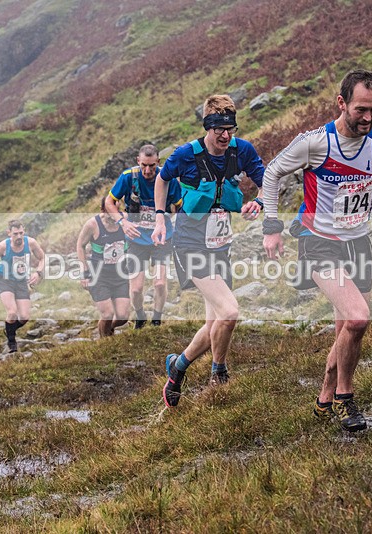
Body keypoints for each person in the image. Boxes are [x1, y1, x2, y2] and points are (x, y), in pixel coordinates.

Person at [261, 70, 372, 432]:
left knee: (349, 328)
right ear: (341, 103)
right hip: (318, 242)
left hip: (358, 242)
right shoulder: (315, 143)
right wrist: (271, 228)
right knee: (359, 317)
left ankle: (324, 396)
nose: (368, 118)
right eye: (361, 110)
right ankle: (348, 400)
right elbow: (272, 174)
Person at [152, 94, 265, 408]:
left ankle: (178, 368)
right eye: (219, 130)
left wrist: (261, 201)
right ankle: (219, 371)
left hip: (220, 246)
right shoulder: (186, 154)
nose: (225, 135)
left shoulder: (242, 151)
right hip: (189, 244)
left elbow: (266, 181)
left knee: (214, 320)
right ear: (207, 128)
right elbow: (162, 180)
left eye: (230, 128)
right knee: (229, 312)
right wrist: (160, 219)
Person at [106, 144, 182, 329]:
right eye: (144, 166)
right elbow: (109, 202)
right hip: (136, 238)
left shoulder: (168, 179)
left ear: (158, 162)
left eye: (152, 166)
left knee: (159, 283)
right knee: (136, 288)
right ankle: (140, 315)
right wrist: (122, 222)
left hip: (161, 238)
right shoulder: (128, 177)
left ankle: (156, 318)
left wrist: (174, 224)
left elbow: (180, 207)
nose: (148, 171)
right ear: (138, 162)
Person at [0, 220, 45, 353]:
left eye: (21, 233)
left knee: (24, 317)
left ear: (24, 231)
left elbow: (43, 258)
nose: (19, 237)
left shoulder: (31, 243)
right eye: (15, 234)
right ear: (9, 233)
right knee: (12, 312)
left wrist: (38, 273)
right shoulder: (3, 246)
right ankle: (12, 342)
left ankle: (9, 329)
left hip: (20, 280)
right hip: (4, 279)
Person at [76, 198, 131, 337]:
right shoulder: (93, 224)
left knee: (122, 317)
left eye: (117, 211)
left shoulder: (125, 220)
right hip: (98, 275)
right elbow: (80, 245)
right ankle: (105, 342)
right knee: (107, 314)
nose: (114, 215)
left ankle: (107, 329)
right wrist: (84, 272)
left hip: (120, 274)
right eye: (110, 212)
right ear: (102, 210)